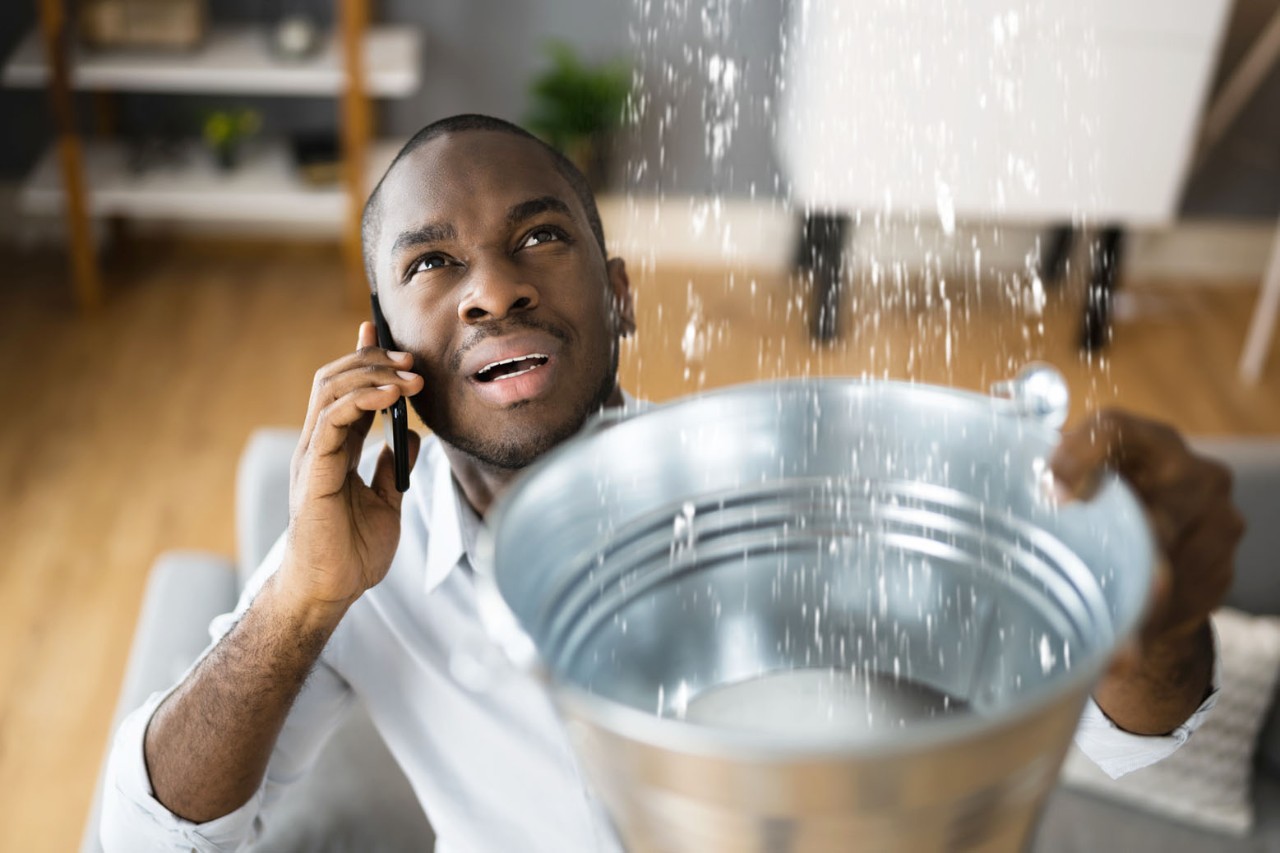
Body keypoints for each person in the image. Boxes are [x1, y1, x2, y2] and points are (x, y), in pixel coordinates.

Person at [101, 114, 1244, 852]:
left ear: (624, 293)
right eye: (432, 262)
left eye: (539, 237)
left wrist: (1155, 603)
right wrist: (301, 595)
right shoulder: (352, 566)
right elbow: (147, 835)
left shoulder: (777, 490)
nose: (492, 289)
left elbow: (1123, 735)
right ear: (385, 339)